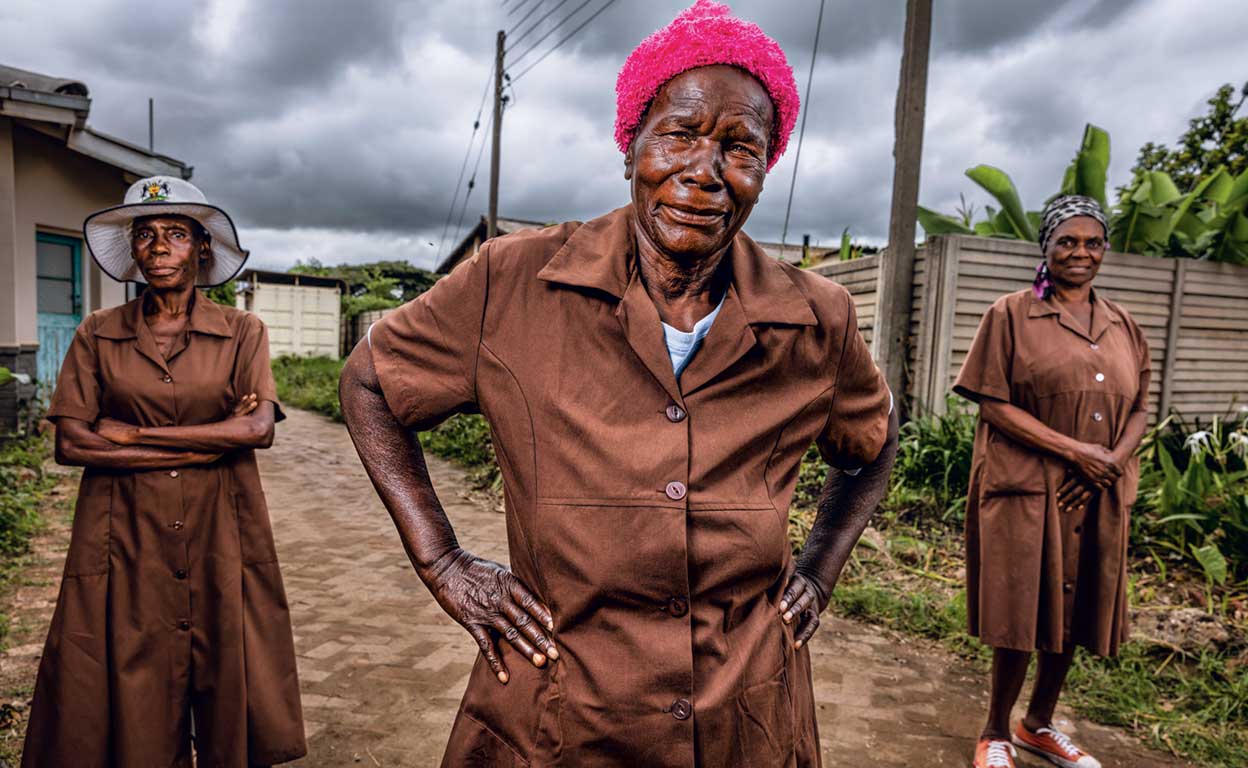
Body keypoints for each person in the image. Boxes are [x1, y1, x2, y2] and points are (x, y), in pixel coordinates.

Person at [338, 2, 897, 765]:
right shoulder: (514, 283)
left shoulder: (817, 318)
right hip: (561, 712)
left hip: (743, 715)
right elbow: (370, 384)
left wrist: (821, 570)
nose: (704, 173)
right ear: (631, 144)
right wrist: (444, 563)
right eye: (680, 134)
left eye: (741, 148)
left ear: (765, 173)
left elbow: (872, 444)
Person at [22, 177, 306, 768]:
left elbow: (258, 431)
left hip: (221, 528)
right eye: (146, 235)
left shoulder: (242, 332)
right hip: (123, 531)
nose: (159, 247)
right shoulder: (97, 333)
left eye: (176, 234)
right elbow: (71, 444)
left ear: (201, 249)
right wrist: (208, 443)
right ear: (133, 251)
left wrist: (134, 433)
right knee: (132, 664)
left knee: (227, 661)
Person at [954, 195, 1151, 768]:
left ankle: (1038, 724)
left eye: (1093, 242)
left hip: (1099, 494)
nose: (1081, 252)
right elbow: (992, 403)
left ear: (1105, 249)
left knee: (1076, 607)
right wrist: (1076, 453)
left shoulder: (1124, 325)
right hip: (1027, 489)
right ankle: (995, 732)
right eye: (1068, 241)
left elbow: (1140, 406)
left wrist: (1109, 462)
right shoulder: (1011, 314)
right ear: (1046, 247)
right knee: (1020, 609)